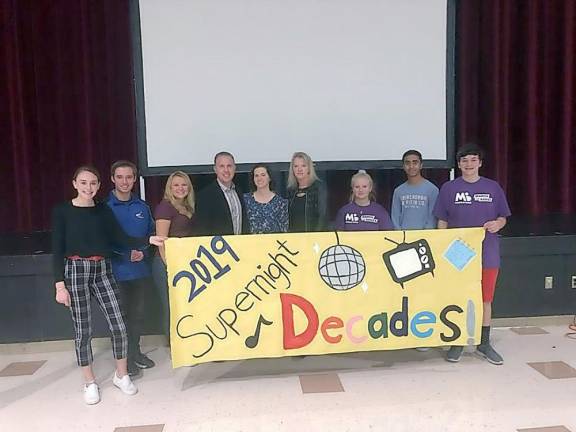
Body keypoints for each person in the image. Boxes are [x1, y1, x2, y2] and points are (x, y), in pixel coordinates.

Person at [52, 166, 164, 405]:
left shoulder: (103, 210)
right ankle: (89, 382)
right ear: (75, 183)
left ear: (99, 185)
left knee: (119, 324)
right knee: (83, 330)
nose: (88, 187)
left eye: (93, 183)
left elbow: (119, 238)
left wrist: (147, 240)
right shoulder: (62, 211)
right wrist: (60, 285)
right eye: (83, 183)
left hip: (103, 269)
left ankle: (121, 375)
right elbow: (57, 250)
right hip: (75, 270)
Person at [433, 144, 511, 365]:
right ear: (458, 164)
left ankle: (483, 343)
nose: (469, 164)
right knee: (459, 297)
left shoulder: (493, 188)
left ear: (480, 163)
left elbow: (503, 217)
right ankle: (457, 342)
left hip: (487, 251)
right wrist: (443, 244)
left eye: (473, 160)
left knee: (485, 299)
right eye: (464, 160)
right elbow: (442, 220)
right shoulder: (448, 189)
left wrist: (498, 223)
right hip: (458, 253)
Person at [106, 160, 156, 377]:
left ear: (135, 179)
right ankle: (124, 360)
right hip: (117, 272)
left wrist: (143, 252)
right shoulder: (105, 208)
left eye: (129, 177)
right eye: (120, 177)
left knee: (138, 315)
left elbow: (151, 235)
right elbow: (104, 240)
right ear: (112, 179)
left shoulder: (142, 207)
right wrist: (126, 254)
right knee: (121, 318)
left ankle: (135, 353)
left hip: (140, 271)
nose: (124, 182)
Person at [153, 170, 196, 338]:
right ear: (169, 188)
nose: (180, 188)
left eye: (184, 184)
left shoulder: (188, 206)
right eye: (176, 185)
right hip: (166, 265)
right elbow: (161, 241)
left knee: (184, 306)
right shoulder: (165, 207)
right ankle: (174, 346)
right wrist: (169, 267)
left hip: (183, 264)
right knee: (171, 307)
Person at [195, 151, 248, 235]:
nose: (226, 170)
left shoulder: (239, 192)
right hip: (218, 247)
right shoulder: (205, 196)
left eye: (229, 166)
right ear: (215, 169)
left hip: (240, 246)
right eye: (222, 166)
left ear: (235, 168)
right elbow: (201, 229)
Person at [391, 150, 439, 230]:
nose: (411, 166)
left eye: (415, 163)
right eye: (407, 163)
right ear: (403, 166)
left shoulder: (432, 189)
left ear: (421, 165)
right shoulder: (398, 191)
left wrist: (424, 234)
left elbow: (432, 219)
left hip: (424, 237)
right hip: (403, 238)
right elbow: (395, 218)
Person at [287, 151, 327, 232]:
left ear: (309, 168)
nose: (299, 169)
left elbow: (322, 217)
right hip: (294, 239)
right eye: (296, 166)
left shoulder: (318, 188)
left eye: (303, 166)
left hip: (313, 239)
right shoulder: (291, 190)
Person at [243, 163, 288, 233]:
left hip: (273, 243)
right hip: (250, 243)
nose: (259, 178)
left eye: (263, 175)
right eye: (256, 176)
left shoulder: (281, 203)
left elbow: (284, 229)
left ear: (269, 178)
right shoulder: (245, 200)